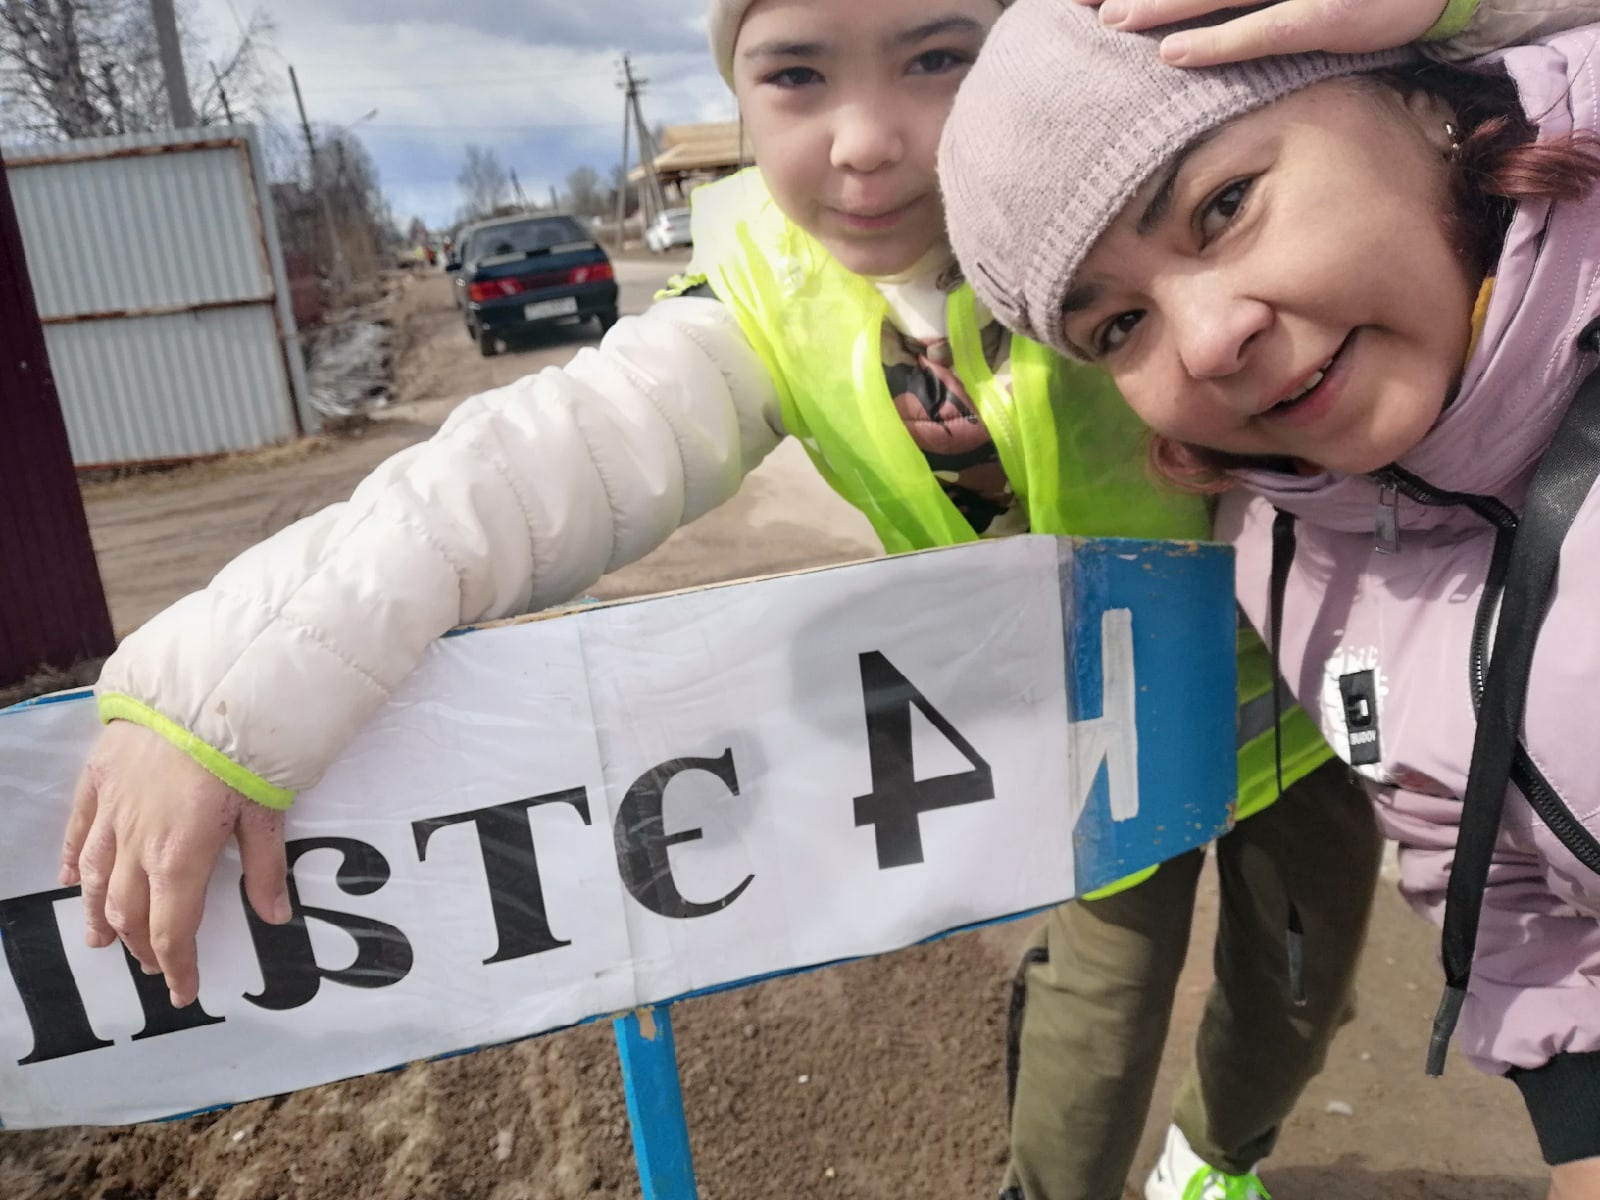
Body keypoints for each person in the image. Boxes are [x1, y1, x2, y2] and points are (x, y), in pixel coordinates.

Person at [61, 2, 1509, 1198]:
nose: (868, 142)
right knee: (1101, 1008)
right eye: (797, 74)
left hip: (1313, 711)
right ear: (738, 101)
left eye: (939, 58)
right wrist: (214, 692)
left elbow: (1451, 83)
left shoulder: (1144, 182)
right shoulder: (757, 297)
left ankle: (1225, 1159)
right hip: (1101, 741)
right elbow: (500, 479)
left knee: (1294, 990)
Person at [939, 3, 1600, 1196]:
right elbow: (1476, 850)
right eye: (1118, 324)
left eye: (1223, 205)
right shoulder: (1286, 546)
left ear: (1416, 93)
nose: (1205, 342)